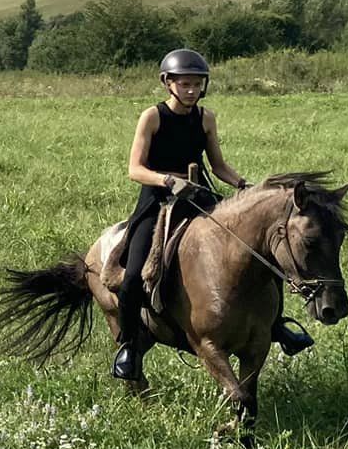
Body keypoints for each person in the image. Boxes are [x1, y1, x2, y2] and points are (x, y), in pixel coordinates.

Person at [110, 48, 312, 380]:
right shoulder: (152, 116)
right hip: (157, 199)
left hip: (199, 195)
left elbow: (217, 165)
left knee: (264, 256)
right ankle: (129, 344)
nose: (191, 90)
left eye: (197, 84)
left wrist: (244, 184)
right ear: (168, 83)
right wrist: (168, 180)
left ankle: (276, 326)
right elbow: (135, 169)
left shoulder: (206, 118)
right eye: (185, 84)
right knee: (132, 276)